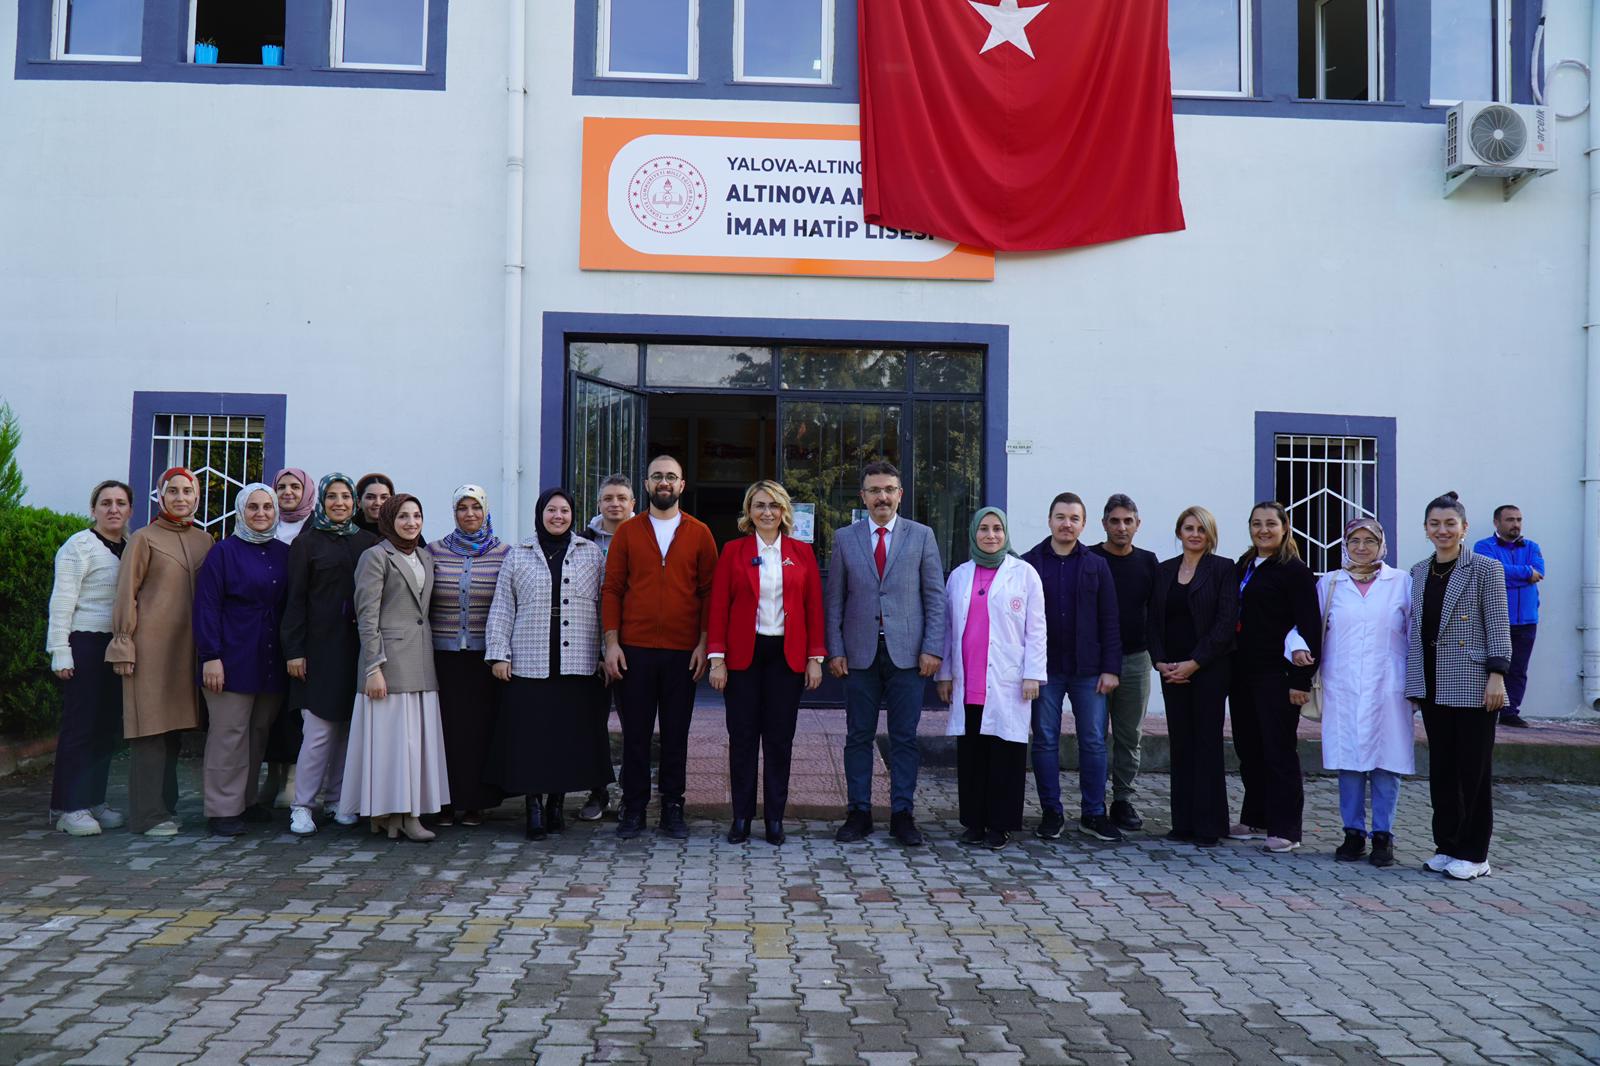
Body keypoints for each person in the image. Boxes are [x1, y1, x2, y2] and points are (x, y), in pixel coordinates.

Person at [823, 460, 947, 847]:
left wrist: (932, 648)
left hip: (908, 656)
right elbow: (835, 601)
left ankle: (902, 814)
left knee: (905, 737)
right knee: (858, 735)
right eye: (874, 490)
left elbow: (935, 597)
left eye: (889, 489)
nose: (882, 497)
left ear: (900, 494)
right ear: (863, 496)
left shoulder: (922, 536)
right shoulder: (846, 538)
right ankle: (858, 813)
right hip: (859, 654)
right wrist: (836, 649)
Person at [485, 489, 613, 840]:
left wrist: (605, 652)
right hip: (530, 658)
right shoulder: (518, 554)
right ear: (540, 513)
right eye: (551, 510)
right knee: (532, 739)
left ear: (574, 515)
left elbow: (605, 607)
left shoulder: (591, 554)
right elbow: (503, 606)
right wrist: (499, 654)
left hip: (578, 659)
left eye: (565, 510)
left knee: (565, 738)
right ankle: (534, 807)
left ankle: (557, 804)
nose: (558, 516)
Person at [602, 455, 718, 839]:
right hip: (633, 650)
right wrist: (612, 643)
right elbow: (613, 589)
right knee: (634, 734)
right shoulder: (628, 532)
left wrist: (704, 645)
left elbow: (709, 595)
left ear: (682, 485)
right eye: (657, 477)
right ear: (647, 485)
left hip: (683, 653)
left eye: (671, 477)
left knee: (675, 733)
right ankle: (632, 808)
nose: (664, 482)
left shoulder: (700, 533)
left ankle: (672, 807)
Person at [1286, 518, 1413, 867]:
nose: (1361, 547)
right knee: (1350, 762)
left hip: (1388, 686)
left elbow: (1416, 635)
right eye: (1354, 540)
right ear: (1344, 544)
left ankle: (1384, 836)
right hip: (1343, 685)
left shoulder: (1401, 582)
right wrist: (1297, 647)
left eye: (1369, 540)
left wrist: (1418, 685)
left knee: (1388, 761)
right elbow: (1303, 626)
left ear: (1381, 545)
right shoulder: (1330, 583)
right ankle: (1353, 833)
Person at [707, 481, 825, 846]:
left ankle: (774, 818)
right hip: (743, 657)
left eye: (774, 505)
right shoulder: (733, 551)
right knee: (742, 738)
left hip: (786, 658)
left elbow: (813, 609)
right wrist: (717, 659)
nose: (767, 512)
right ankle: (741, 817)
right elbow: (718, 608)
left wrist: (815, 658)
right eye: (759, 505)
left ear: (784, 511)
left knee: (779, 740)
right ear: (749, 511)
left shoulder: (801, 552)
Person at [1406, 491, 1512, 881]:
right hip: (1433, 682)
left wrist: (1497, 675)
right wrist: (1414, 683)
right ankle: (1447, 844)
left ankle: (1475, 852)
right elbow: (1416, 632)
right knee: (1443, 770)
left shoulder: (1486, 568)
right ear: (1426, 529)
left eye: (1450, 524)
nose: (1442, 530)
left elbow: (1499, 626)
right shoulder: (1419, 571)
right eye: (1435, 524)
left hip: (1473, 681)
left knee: (1474, 770)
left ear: (1464, 528)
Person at [107, 467, 214, 837]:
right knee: (149, 731)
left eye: (188, 491)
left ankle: (165, 808)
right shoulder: (143, 538)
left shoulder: (205, 540)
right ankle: (147, 815)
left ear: (197, 497)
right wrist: (123, 643)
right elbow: (126, 594)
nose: (181, 498)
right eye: (173, 491)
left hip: (186, 652)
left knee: (174, 732)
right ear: (161, 495)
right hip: (149, 651)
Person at [341, 494, 449, 841]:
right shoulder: (375, 557)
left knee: (415, 744)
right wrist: (373, 667)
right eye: (403, 516)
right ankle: (395, 814)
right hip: (388, 665)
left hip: (421, 662)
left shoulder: (424, 557)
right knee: (393, 744)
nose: (411, 522)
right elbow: (367, 616)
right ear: (389, 520)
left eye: (417, 516)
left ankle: (406, 813)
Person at [937, 508, 1046, 850]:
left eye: (997, 528)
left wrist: (1033, 674)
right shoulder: (959, 575)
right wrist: (944, 674)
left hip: (1008, 682)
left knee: (1005, 755)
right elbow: (948, 629)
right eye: (983, 528)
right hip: (968, 681)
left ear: (1006, 533)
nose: (991, 535)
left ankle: (1000, 825)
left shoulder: (1024, 574)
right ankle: (974, 823)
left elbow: (1037, 629)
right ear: (973, 534)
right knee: (972, 755)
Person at [280, 473, 380, 835]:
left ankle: (338, 799)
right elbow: (294, 602)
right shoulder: (306, 544)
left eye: (346, 497)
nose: (340, 503)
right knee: (319, 731)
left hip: (357, 649)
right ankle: (303, 805)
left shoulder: (368, 542)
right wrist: (294, 651)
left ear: (354, 503)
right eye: (332, 497)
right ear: (322, 502)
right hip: (318, 650)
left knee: (347, 730)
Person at [1021, 492, 1123, 843]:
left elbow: (1110, 619)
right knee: (1045, 740)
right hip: (1044, 669)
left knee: (1094, 741)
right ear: (1049, 520)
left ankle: (1094, 813)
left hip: (1089, 669)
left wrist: (1111, 668)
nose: (1067, 523)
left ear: (1083, 523)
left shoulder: (1096, 564)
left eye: (1074, 518)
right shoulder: (1029, 563)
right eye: (1060, 516)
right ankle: (1052, 811)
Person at [192, 484, 289, 837]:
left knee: (258, 732)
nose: (261, 513)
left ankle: (245, 801)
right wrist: (210, 656)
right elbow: (206, 606)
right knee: (228, 733)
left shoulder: (283, 552)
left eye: (267, 507)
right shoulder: (223, 553)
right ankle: (222, 809)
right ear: (240, 511)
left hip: (270, 657)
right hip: (231, 655)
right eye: (253, 507)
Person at [1230, 501, 1320, 854]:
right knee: (1248, 747)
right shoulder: (1244, 565)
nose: (1263, 530)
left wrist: (1301, 680)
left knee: (1278, 750)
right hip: (1242, 672)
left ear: (1285, 528)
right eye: (1256, 524)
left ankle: (1286, 828)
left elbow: (1310, 626)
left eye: (1270, 524)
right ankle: (1256, 817)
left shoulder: (1295, 571)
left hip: (1277, 676)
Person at [46, 479, 133, 836]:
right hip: (84, 644)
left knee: (106, 730)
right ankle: (68, 807)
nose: (113, 509)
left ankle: (94, 800)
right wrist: (60, 652)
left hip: (116, 647)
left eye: (121, 503)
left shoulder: (131, 547)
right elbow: (62, 601)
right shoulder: (78, 546)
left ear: (130, 510)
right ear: (93, 509)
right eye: (106, 503)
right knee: (80, 729)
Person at [1147, 506, 1236, 847]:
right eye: (1188, 528)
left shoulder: (1222, 569)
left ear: (1210, 534)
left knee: (1206, 743)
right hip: (1171, 670)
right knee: (1180, 743)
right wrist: (1160, 662)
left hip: (1209, 669)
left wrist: (1194, 663)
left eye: (1201, 528)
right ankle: (1182, 822)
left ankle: (1209, 826)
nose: (1194, 534)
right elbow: (1153, 620)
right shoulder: (1165, 570)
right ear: (1179, 532)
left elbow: (1225, 624)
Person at [427, 484, 510, 827]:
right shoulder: (433, 551)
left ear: (486, 511)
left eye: (476, 507)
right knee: (443, 730)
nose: (470, 514)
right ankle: (444, 802)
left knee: (478, 731)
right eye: (463, 507)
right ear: (454, 513)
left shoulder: (505, 553)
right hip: (441, 656)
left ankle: (474, 801)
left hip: (483, 659)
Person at [1090, 493, 1160, 832]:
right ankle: (1094, 802)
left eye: (1127, 521)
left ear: (1137, 525)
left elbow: (1158, 613)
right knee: (1094, 734)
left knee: (1129, 734)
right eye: (1115, 521)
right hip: (1094, 661)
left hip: (1135, 659)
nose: (1121, 527)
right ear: (1104, 524)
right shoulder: (1088, 558)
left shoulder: (1149, 563)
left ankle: (1122, 799)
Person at [576, 472, 635, 821]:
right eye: (608, 498)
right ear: (599, 503)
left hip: (632, 646)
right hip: (589, 647)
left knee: (635, 726)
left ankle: (631, 794)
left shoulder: (644, 536)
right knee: (592, 725)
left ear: (632, 503)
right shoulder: (581, 541)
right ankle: (597, 793)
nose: (615, 504)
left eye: (621, 498)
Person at [261, 465, 314, 809]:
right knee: (271, 706)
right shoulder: (265, 526)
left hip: (301, 630)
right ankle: (273, 775)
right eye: (282, 487)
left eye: (295, 486)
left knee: (297, 706)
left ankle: (295, 780)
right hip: (264, 629)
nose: (289, 493)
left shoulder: (314, 528)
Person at [1472, 505, 1544, 728]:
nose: (1516, 524)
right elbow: (1491, 572)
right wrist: (1525, 573)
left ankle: (1510, 712)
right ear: (1497, 523)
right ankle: (1483, 710)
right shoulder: (1484, 546)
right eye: (1510, 519)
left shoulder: (1532, 546)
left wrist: (1507, 573)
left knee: (1518, 669)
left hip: (1527, 620)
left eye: (1519, 519)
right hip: (1496, 619)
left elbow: (1539, 572)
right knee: (1490, 666)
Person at [272, 467, 314, 544]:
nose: (287, 492)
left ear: (306, 491)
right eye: (281, 487)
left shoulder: (319, 525)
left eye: (295, 487)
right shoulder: (267, 522)